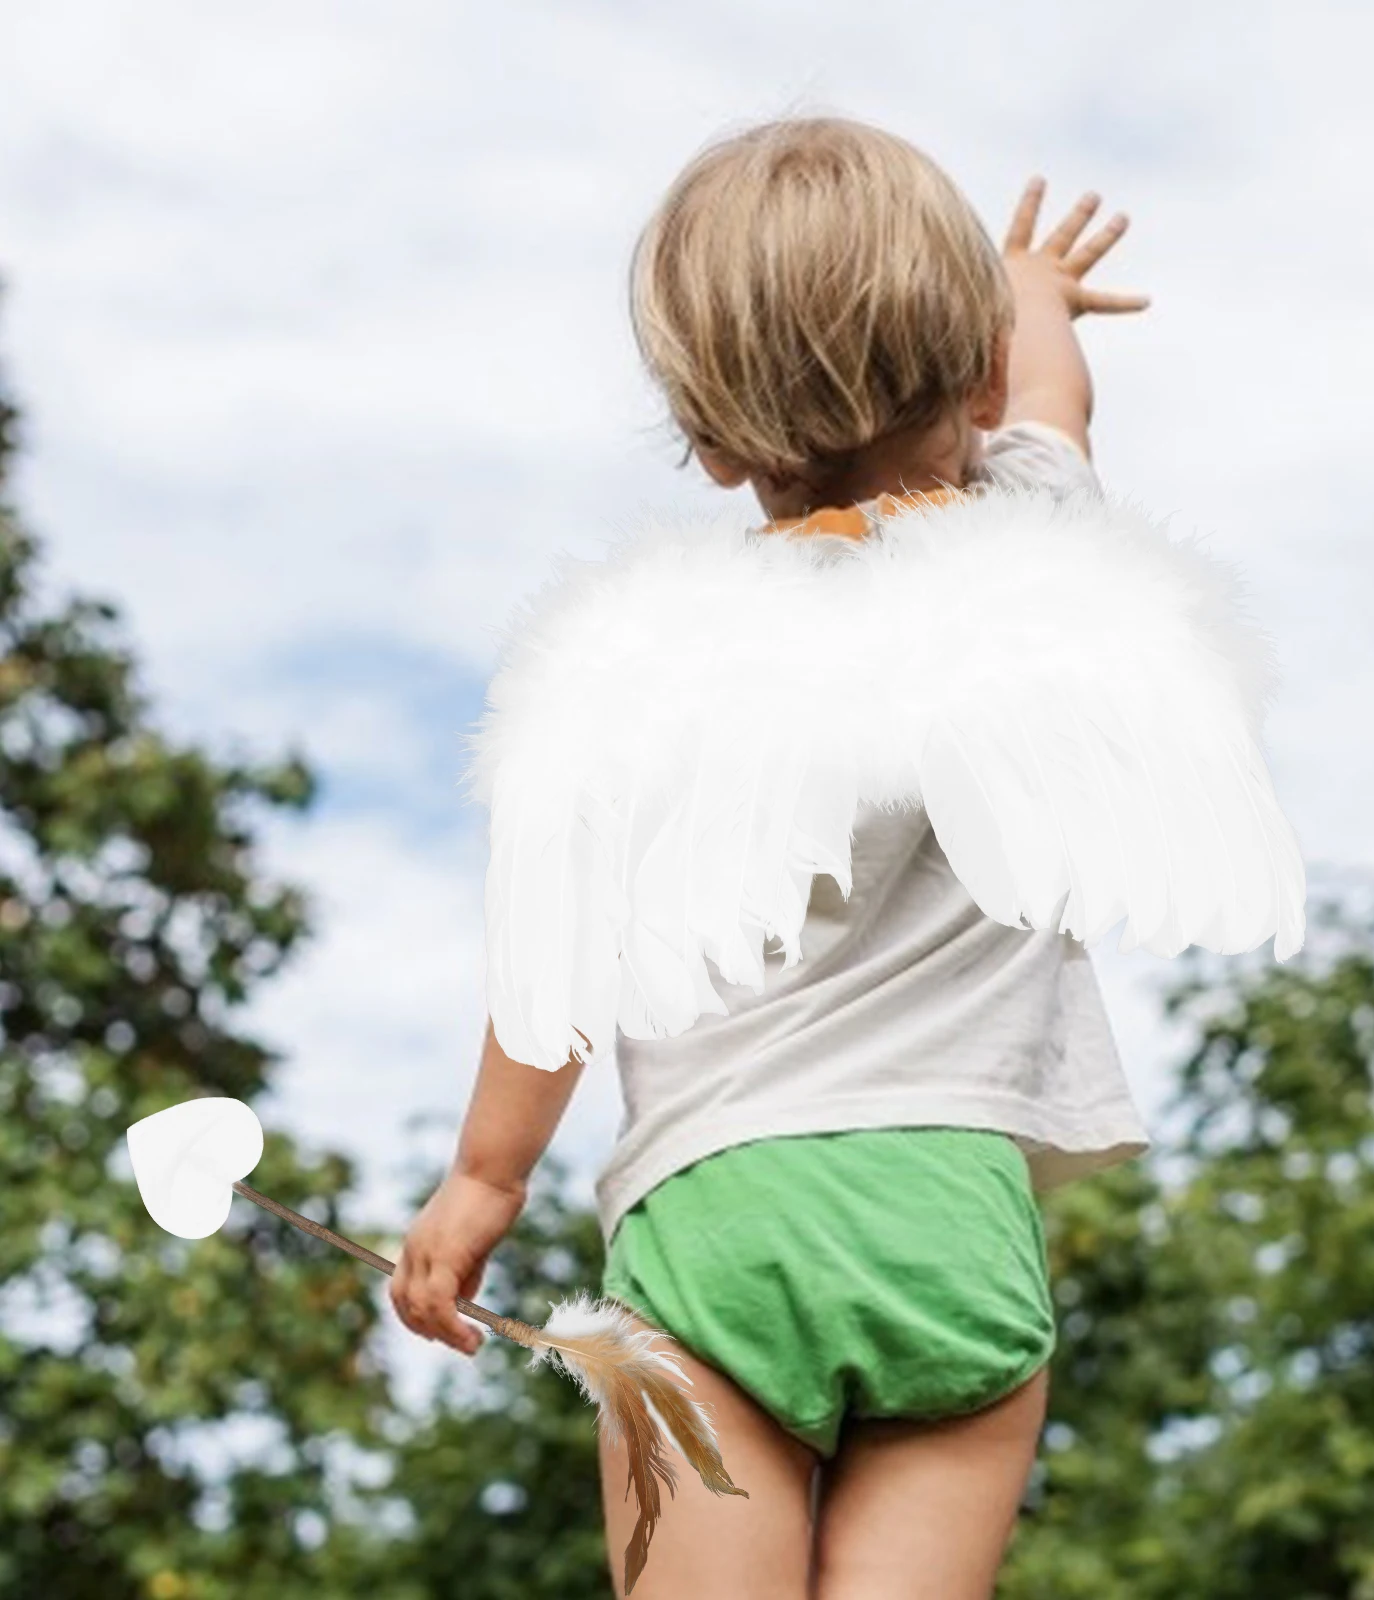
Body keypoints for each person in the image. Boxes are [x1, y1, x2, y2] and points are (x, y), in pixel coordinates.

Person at [392, 116, 1302, 1598]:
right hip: (950, 1212)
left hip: (713, 1224)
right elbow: (1057, 407)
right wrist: (1034, 295)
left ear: (705, 442)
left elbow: (556, 950)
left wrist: (484, 1182)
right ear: (981, 379)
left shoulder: (648, 669)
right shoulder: (1045, 560)